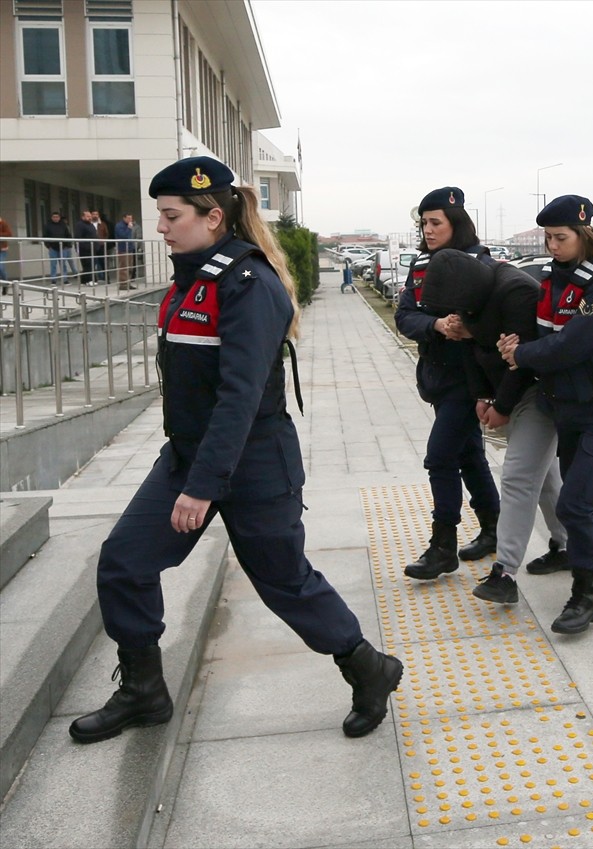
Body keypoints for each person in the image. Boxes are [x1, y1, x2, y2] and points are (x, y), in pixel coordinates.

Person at [68, 156, 402, 745]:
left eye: (171, 216)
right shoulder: (191, 279)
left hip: (252, 461)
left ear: (213, 216)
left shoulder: (248, 284)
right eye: (161, 217)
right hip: (189, 455)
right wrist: (190, 472)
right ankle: (143, 691)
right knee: (124, 561)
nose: (162, 227)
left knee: (283, 580)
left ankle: (367, 667)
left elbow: (240, 396)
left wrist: (202, 485)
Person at [498, 195, 593, 635]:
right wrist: (513, 348)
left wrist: (524, 355)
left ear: (584, 234)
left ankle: (586, 593)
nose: (552, 245)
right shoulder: (554, 280)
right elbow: (541, 333)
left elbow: (574, 343)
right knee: (586, 504)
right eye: (548, 238)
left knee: (576, 503)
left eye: (561, 237)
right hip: (568, 407)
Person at [418, 249, 569, 604]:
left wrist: (500, 406)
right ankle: (568, 545)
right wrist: (481, 397)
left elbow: (522, 362)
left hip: (538, 389)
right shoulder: (468, 291)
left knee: (517, 476)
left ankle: (505, 572)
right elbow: (470, 353)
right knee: (543, 477)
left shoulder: (516, 291)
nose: (455, 316)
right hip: (503, 390)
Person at [395, 187, 502, 581]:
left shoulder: (480, 262)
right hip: (437, 376)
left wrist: (468, 328)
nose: (427, 230)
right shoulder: (420, 264)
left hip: (470, 378)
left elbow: (496, 317)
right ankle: (493, 526)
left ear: (455, 223)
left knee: (440, 456)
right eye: (423, 222)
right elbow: (404, 316)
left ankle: (443, 546)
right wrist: (437, 325)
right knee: (469, 454)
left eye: (435, 222)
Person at [44, 212, 73, 284]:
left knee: (63, 264)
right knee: (53, 264)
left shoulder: (63, 225)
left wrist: (67, 245)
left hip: (63, 247)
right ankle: (53, 279)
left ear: (59, 218)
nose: (55, 218)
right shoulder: (48, 226)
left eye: (57, 217)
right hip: (52, 248)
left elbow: (68, 235)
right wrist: (48, 246)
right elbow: (45, 236)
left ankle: (65, 279)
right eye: (54, 217)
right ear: (51, 218)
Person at [74, 210, 97, 286]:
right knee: (87, 264)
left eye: (90, 216)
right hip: (85, 249)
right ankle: (89, 280)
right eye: (87, 216)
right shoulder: (80, 225)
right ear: (83, 217)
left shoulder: (91, 225)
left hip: (92, 248)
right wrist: (85, 247)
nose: (90, 218)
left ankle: (84, 280)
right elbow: (78, 237)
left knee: (91, 264)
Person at [115, 213, 138, 290]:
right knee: (124, 267)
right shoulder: (119, 226)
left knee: (130, 267)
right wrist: (129, 228)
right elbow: (123, 236)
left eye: (131, 218)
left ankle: (128, 283)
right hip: (123, 249)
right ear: (124, 218)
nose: (130, 220)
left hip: (130, 248)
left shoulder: (130, 226)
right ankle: (123, 284)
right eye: (128, 218)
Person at [0, 216, 12, 290]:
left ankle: (5, 284)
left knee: (1, 267)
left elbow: (9, 234)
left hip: (2, 249)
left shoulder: (3, 223)